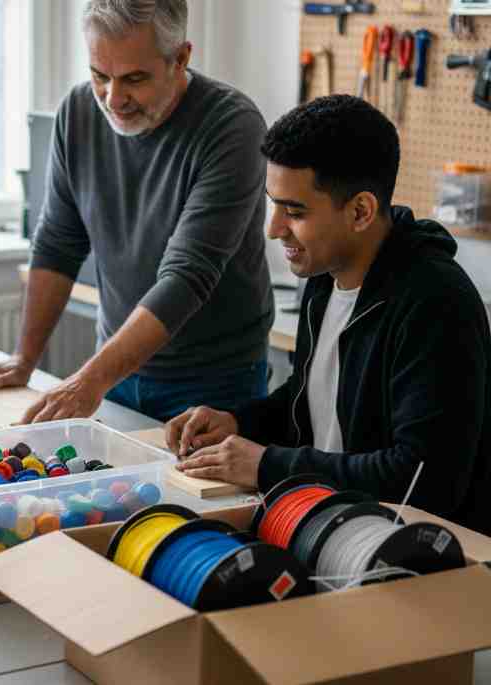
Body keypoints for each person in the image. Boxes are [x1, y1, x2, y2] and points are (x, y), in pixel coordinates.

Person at [166, 95, 491, 534]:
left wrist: (266, 465)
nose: (273, 228)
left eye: (294, 211)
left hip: (418, 553)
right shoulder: (324, 275)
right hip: (333, 520)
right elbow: (310, 398)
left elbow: (421, 480)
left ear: (360, 211)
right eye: (274, 204)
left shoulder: (437, 303)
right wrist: (238, 422)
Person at [0, 0, 274, 424]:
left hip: (213, 382)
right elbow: (57, 243)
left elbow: (186, 277)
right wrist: (24, 358)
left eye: (134, 79)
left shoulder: (233, 127)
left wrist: (88, 381)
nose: (113, 99)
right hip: (116, 368)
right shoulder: (79, 111)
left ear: (180, 59)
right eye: (100, 76)